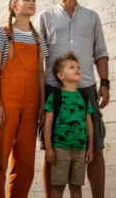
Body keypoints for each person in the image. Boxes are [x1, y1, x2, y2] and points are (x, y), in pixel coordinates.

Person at [37, 0, 109, 198]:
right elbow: (38, 59)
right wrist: (40, 98)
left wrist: (104, 83)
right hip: (54, 91)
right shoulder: (45, 17)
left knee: (95, 146)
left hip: (86, 89)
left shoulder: (92, 17)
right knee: (50, 151)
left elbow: (100, 52)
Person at [0, 0, 48, 198]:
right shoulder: (2, 33)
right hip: (6, 101)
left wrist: (42, 104)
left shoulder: (39, 38)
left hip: (31, 104)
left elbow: (41, 73)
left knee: (25, 163)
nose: (32, 2)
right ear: (15, 7)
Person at [43, 52, 94, 198]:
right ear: (61, 75)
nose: (77, 69)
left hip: (80, 150)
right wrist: (48, 148)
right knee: (58, 188)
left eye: (78, 67)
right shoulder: (55, 97)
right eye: (71, 67)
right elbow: (48, 123)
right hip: (60, 149)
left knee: (76, 188)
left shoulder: (84, 97)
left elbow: (88, 123)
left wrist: (90, 148)